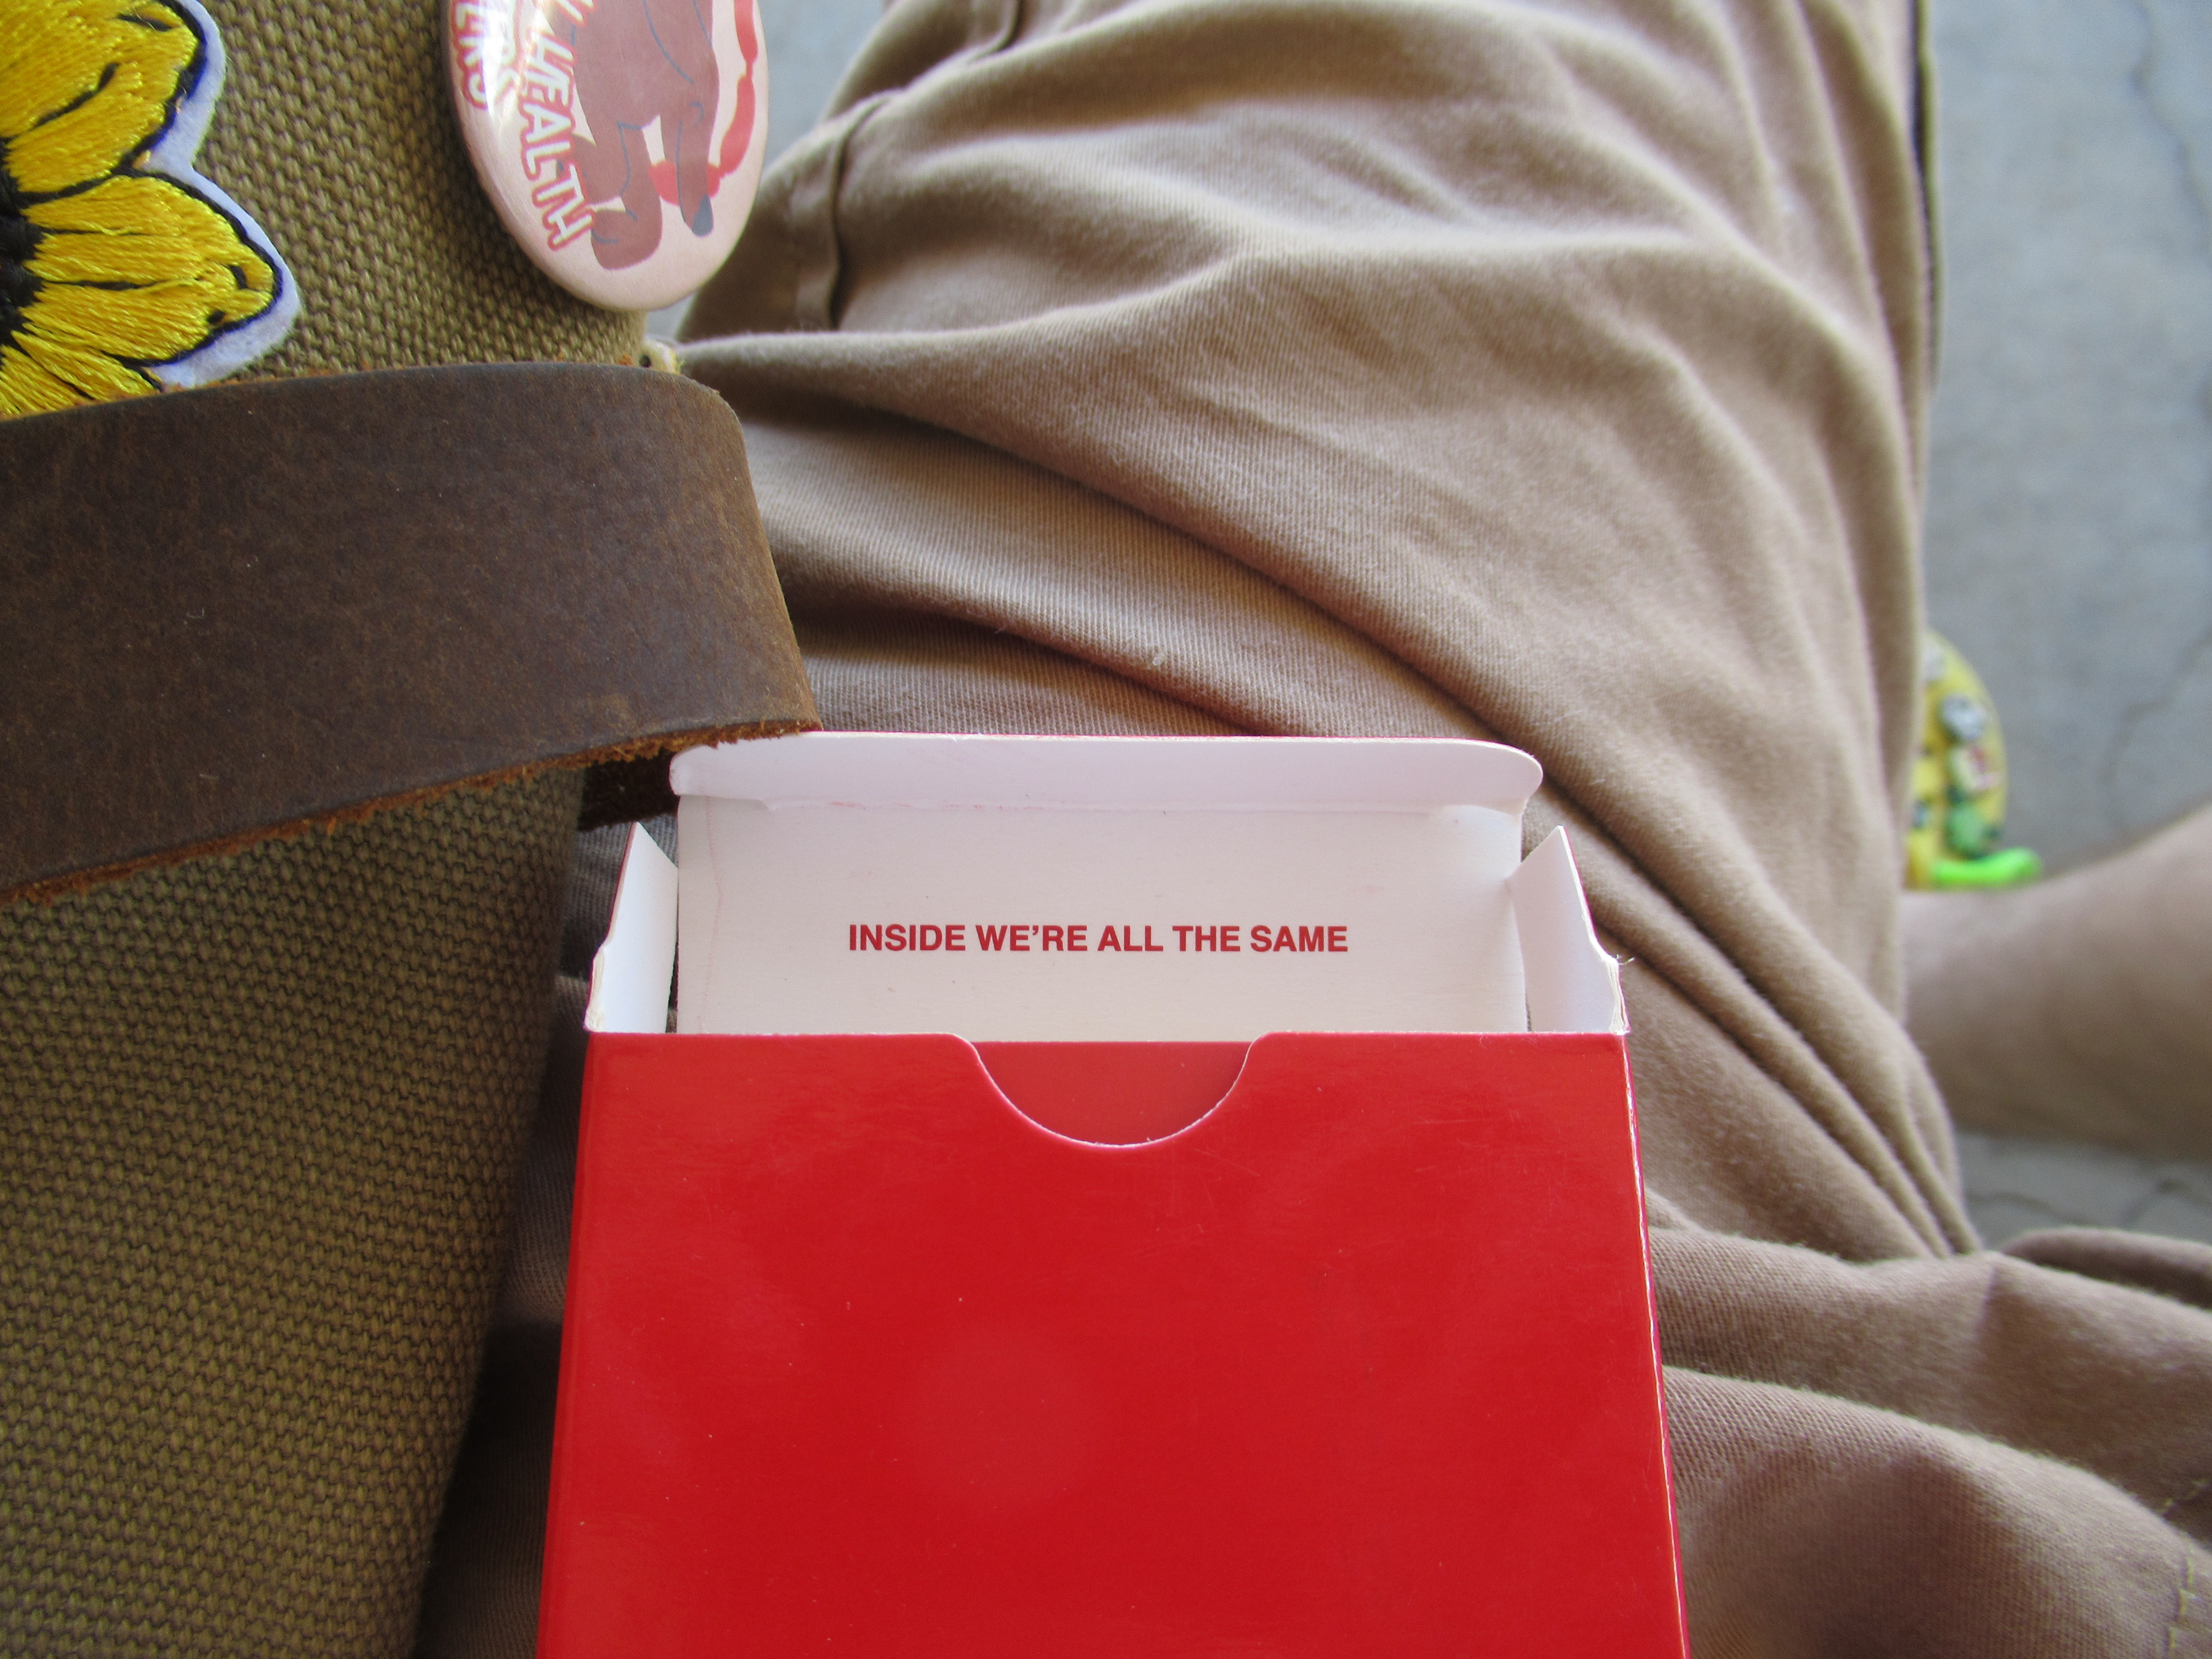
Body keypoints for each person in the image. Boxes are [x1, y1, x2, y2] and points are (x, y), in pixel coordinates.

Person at [461, 0, 2212, 1650]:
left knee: (1452, 104)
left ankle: (1854, 960)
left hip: (517, 1301)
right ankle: (1880, 963)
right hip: (1800, 1385)